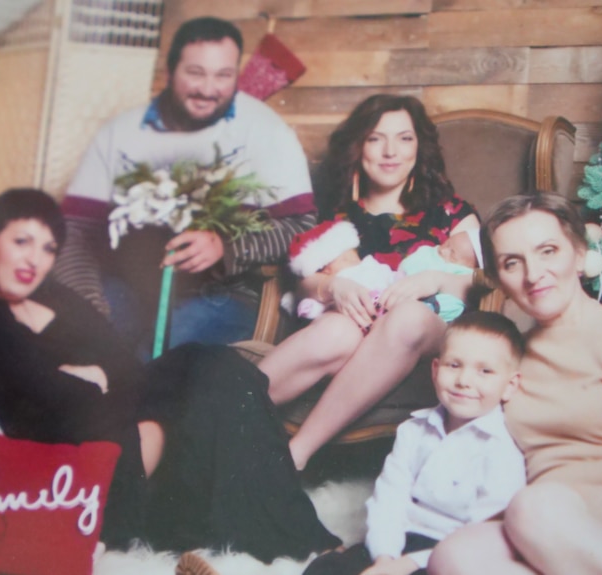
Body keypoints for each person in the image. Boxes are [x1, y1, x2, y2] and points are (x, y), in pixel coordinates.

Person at [0, 189, 338, 571]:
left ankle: (294, 539)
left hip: (93, 426)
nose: (33, 260)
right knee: (110, 404)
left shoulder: (52, 299)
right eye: (20, 242)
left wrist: (96, 378)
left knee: (208, 364)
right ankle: (141, 528)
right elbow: (35, 391)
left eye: (46, 250)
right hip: (39, 448)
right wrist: (91, 383)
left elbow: (125, 368)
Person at [427, 193, 602, 575]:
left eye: (548, 251)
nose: (534, 275)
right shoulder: (505, 363)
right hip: (544, 538)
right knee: (455, 556)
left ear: (580, 255)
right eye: (512, 262)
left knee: (533, 507)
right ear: (500, 278)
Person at [55, 16, 316, 353]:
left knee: (155, 361)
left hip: (221, 297)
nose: (209, 89)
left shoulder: (269, 132)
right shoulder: (121, 133)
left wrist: (226, 247)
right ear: (170, 73)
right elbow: (74, 230)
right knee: (82, 347)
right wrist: (91, 308)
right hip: (126, 285)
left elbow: (301, 227)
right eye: (196, 73)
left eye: (223, 76)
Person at [258, 94, 480, 471]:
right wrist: (333, 288)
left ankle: (300, 448)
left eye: (404, 138)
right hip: (350, 321)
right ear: (359, 146)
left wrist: (433, 279)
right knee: (338, 332)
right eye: (377, 138)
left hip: (427, 324)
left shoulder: (452, 212)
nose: (391, 151)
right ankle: (223, 422)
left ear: (419, 146)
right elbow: (298, 286)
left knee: (406, 317)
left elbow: (480, 284)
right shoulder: (332, 212)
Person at [303, 311, 526, 575]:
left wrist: (410, 564)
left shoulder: (501, 453)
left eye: (485, 371)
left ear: (510, 386)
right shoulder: (413, 431)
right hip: (397, 540)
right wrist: (385, 558)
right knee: (326, 569)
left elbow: (484, 537)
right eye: (454, 365)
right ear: (435, 370)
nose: (464, 381)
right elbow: (390, 498)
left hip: (449, 557)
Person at [288, 220, 482, 322]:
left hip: (408, 322)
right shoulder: (338, 211)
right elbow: (303, 278)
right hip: (343, 306)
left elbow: (482, 278)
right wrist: (332, 285)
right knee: (336, 328)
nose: (442, 250)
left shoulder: (453, 214)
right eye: (445, 244)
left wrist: (437, 278)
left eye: (452, 253)